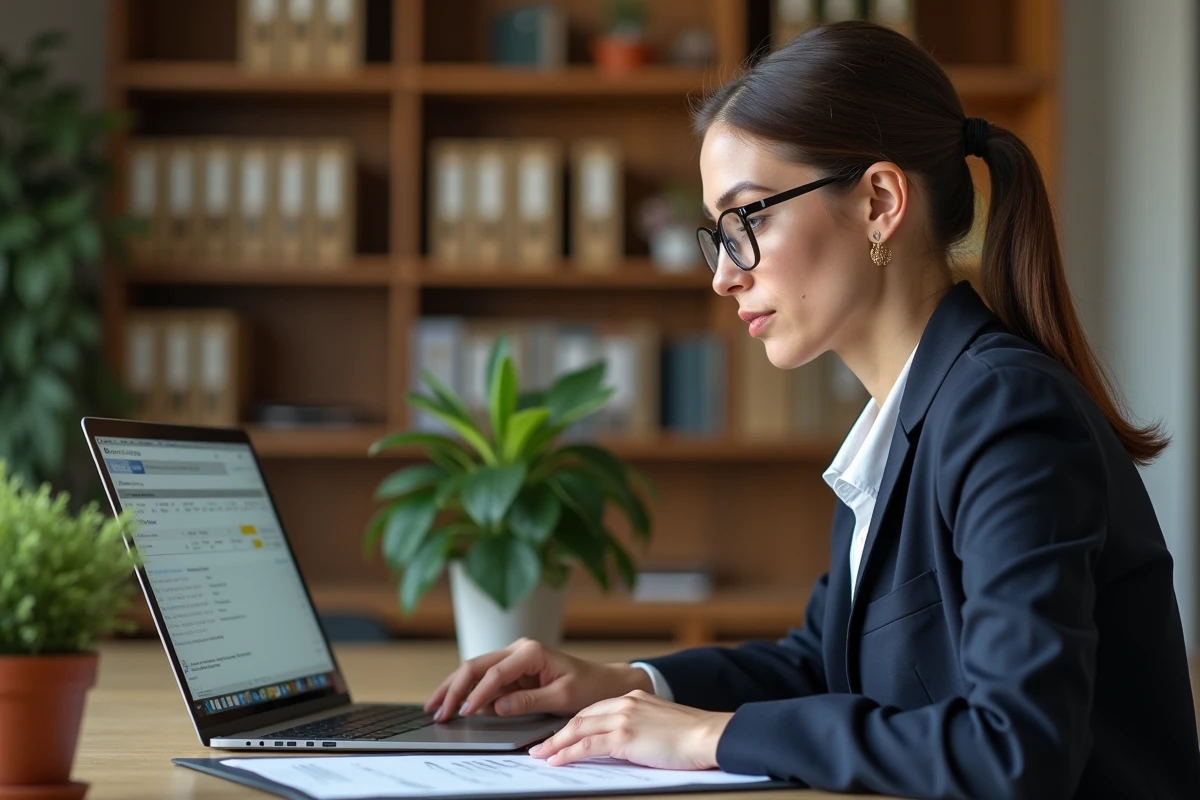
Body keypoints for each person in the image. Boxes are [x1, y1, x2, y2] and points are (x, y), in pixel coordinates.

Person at [423, 21, 1200, 800]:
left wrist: (708, 737)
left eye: (749, 219)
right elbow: (828, 663)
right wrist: (630, 682)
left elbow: (1014, 748)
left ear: (880, 202)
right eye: (717, 234)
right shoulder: (904, 418)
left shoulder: (1004, 411)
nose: (724, 276)